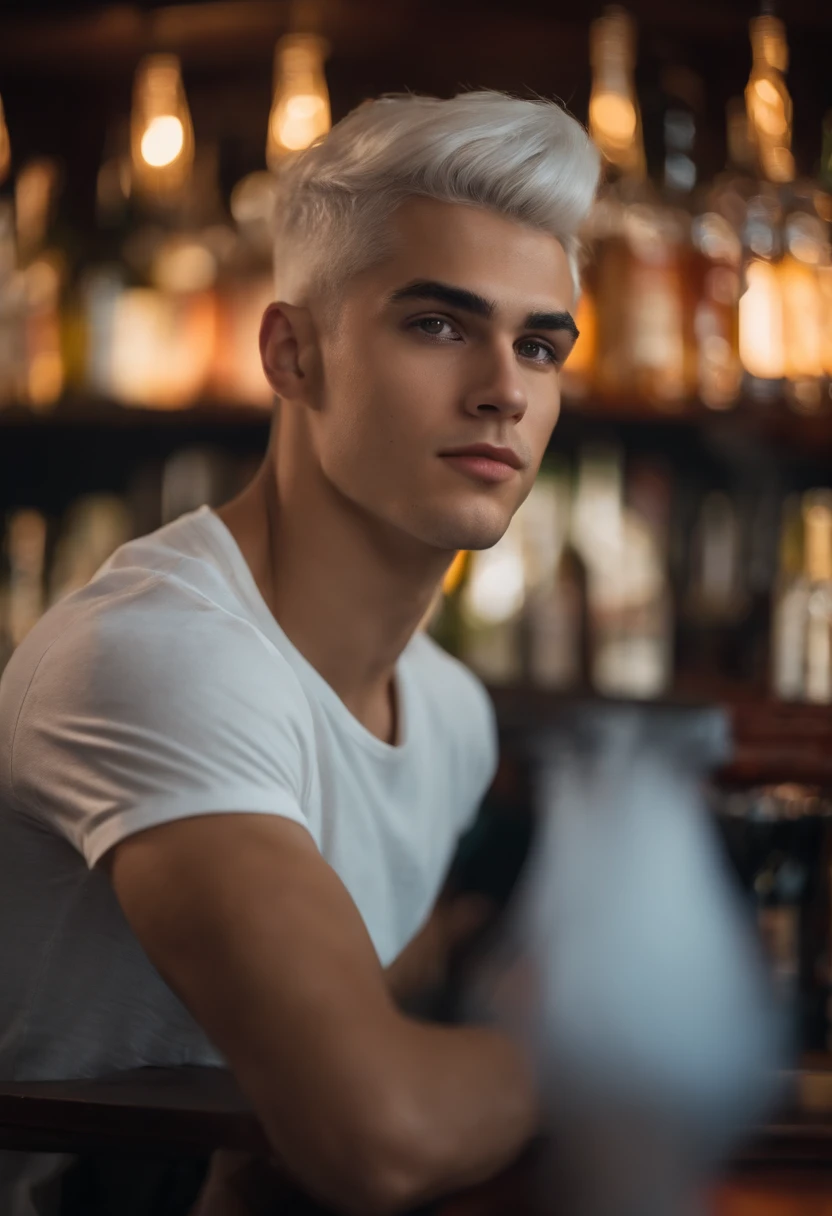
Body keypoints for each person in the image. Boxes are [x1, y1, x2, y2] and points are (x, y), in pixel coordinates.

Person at [0, 90, 599, 1215]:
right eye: (437, 323)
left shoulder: (451, 715)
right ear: (292, 352)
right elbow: (376, 1131)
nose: (504, 389)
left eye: (538, 344)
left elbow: (275, 1143)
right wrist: (611, 1056)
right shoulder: (159, 656)